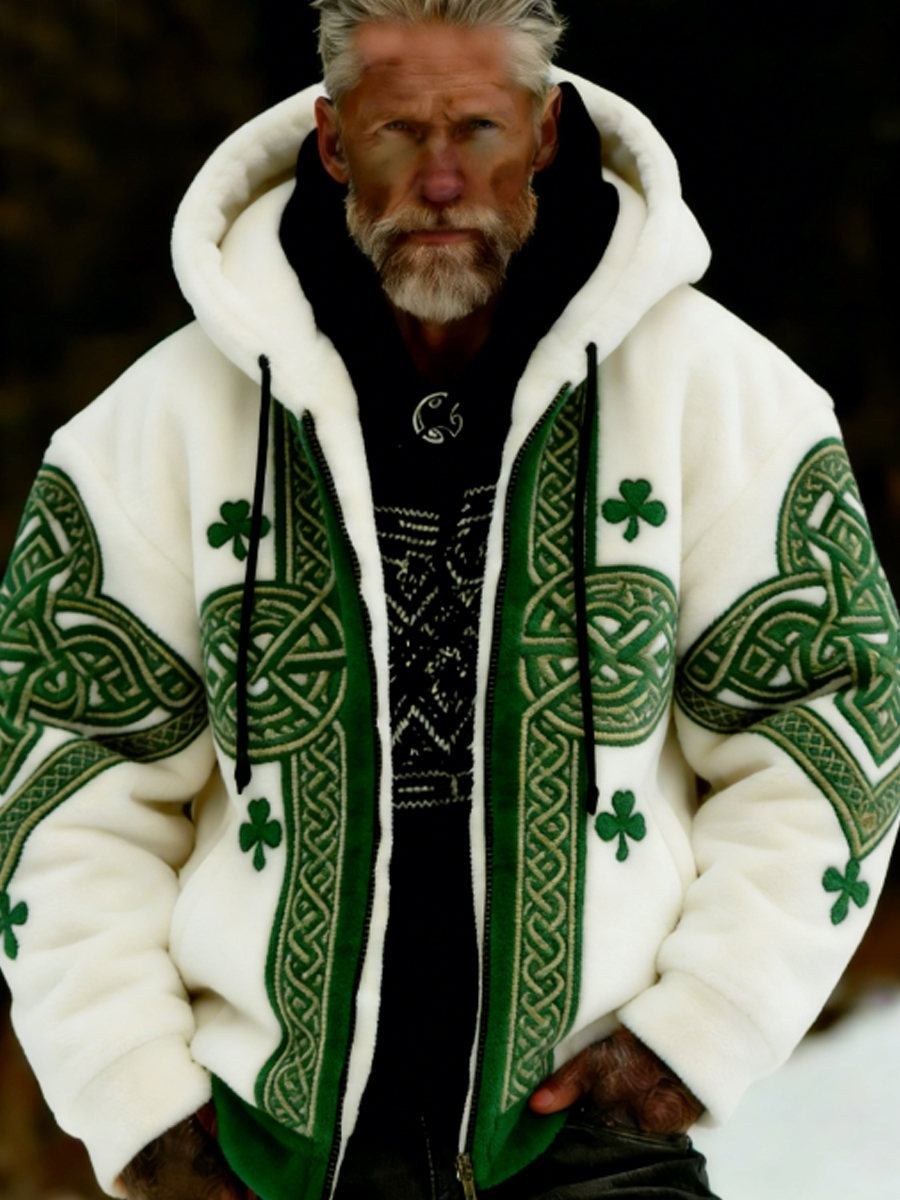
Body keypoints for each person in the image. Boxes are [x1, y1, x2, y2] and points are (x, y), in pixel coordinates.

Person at [0, 1, 897, 1198]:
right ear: (331, 140)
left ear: (546, 130)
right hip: (273, 1155)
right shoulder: (151, 431)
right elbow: (64, 777)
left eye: (477, 128)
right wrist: (137, 1096)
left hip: (592, 1138)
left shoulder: (724, 397)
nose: (437, 181)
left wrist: (697, 1032)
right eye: (395, 131)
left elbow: (827, 721)